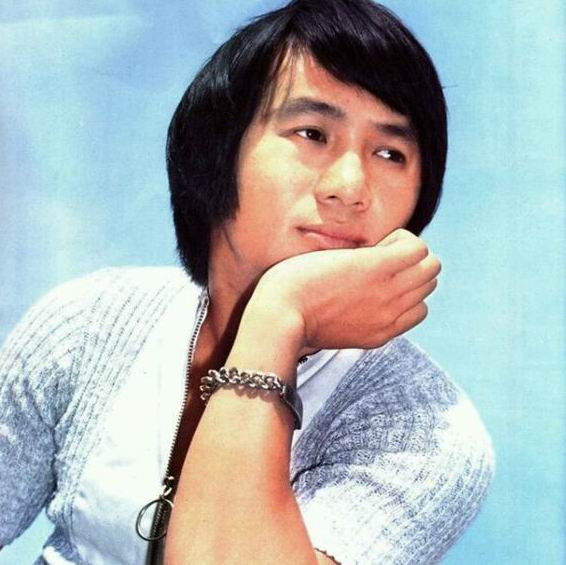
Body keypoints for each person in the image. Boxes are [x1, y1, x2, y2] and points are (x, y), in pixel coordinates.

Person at [0, 0, 494, 563]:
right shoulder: (89, 324)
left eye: (390, 152)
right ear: (215, 150)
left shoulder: (424, 425)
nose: (350, 186)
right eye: (312, 133)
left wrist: (279, 315)